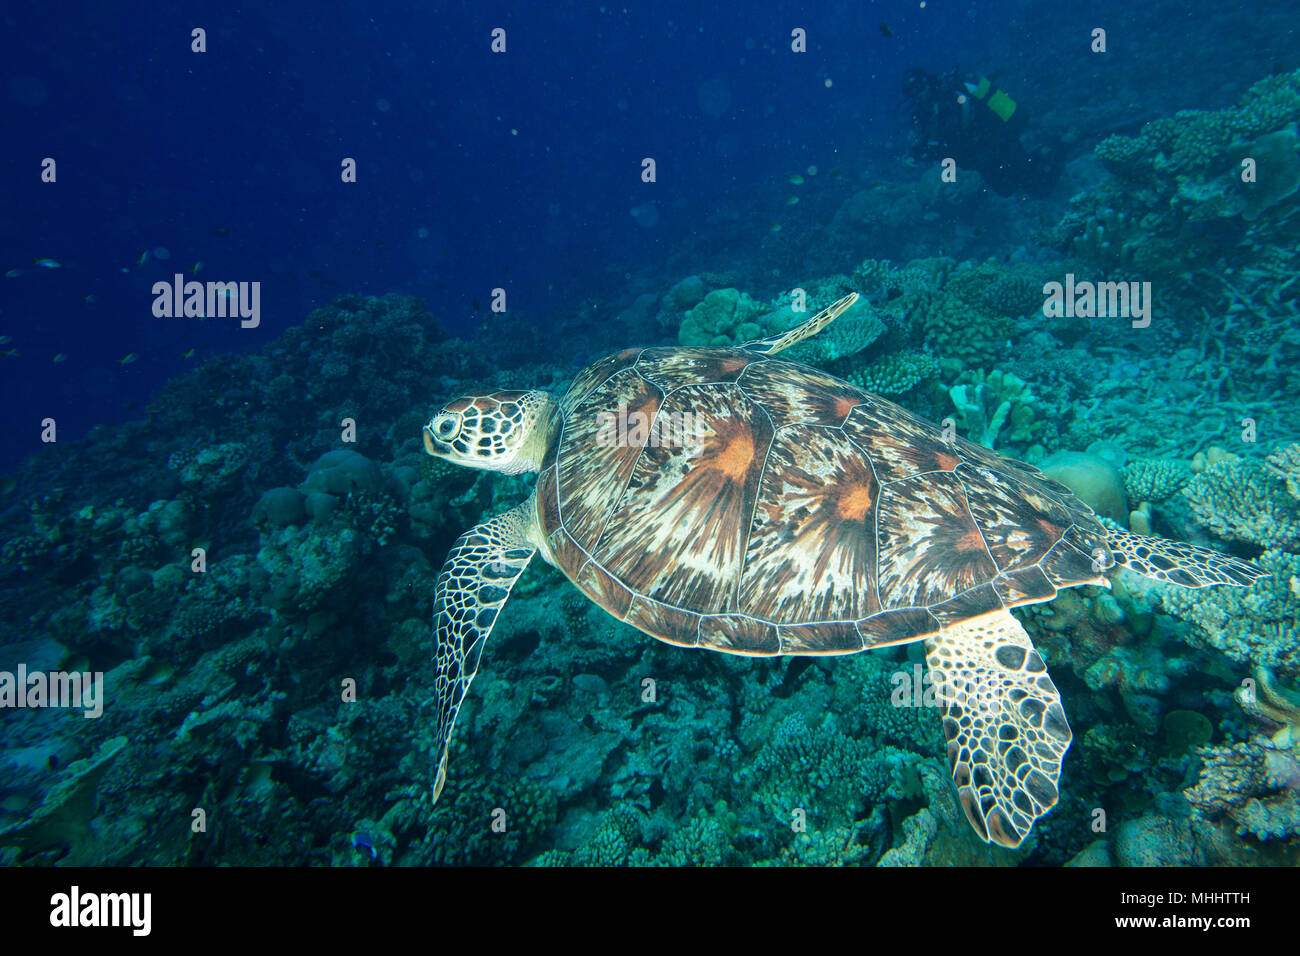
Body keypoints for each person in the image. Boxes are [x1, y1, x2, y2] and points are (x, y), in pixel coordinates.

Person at [901, 68, 1063, 197]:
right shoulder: (922, 115)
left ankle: (1060, 147)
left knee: (1037, 187)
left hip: (997, 142)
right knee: (1006, 190)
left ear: (927, 83)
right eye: (911, 92)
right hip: (979, 157)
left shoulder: (949, 98)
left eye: (918, 88)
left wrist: (931, 151)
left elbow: (953, 136)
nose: (917, 94)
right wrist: (915, 155)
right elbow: (934, 143)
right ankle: (1045, 154)